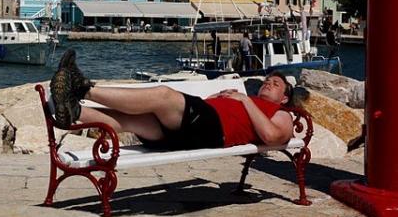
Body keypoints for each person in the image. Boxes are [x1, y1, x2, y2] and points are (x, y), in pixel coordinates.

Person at [50, 50, 294, 149]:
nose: (268, 84)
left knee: (163, 95)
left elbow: (272, 137)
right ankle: (73, 112)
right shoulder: (249, 100)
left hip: (214, 130)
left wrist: (245, 101)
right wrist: (217, 99)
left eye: (275, 84)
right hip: (194, 128)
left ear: (284, 98)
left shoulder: (281, 113)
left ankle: (82, 89)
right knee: (132, 121)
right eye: (267, 80)